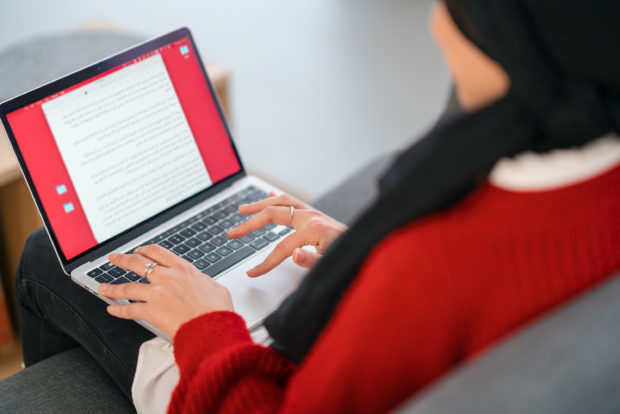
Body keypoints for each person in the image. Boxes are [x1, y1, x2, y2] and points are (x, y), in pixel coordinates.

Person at [16, 0, 620, 412]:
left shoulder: (430, 268)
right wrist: (361, 251)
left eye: (455, 9)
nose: (437, 26)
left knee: (49, 255)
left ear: (518, 44)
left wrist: (204, 323)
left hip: (241, 382)